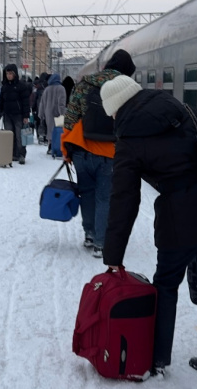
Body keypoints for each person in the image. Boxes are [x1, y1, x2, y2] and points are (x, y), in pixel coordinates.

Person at [99, 75, 197, 380]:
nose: (113, 118)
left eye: (111, 112)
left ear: (117, 107)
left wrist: (113, 254)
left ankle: (158, 360)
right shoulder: (185, 110)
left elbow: (124, 199)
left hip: (180, 220)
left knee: (166, 286)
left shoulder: (129, 139)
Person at [62, 49, 136, 257]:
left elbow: (70, 119)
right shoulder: (127, 88)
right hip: (110, 153)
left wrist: (66, 149)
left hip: (82, 150)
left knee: (87, 193)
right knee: (104, 198)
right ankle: (101, 243)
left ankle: (89, 234)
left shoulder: (85, 84)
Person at [0, 63, 30, 164]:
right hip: (7, 114)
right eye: (7, 74)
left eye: (10, 73)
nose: (9, 76)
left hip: (18, 115)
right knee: (9, 135)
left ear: (15, 74)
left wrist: (26, 116)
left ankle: (21, 154)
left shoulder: (21, 86)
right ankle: (11, 154)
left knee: (19, 136)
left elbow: (26, 102)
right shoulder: (4, 87)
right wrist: (0, 111)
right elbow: (2, 100)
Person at [38, 73, 67, 151]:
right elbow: (61, 103)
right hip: (58, 113)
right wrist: (62, 114)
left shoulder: (47, 89)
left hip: (48, 113)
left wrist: (41, 114)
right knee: (59, 130)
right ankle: (57, 146)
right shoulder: (61, 88)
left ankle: (50, 146)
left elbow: (42, 103)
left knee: (50, 130)